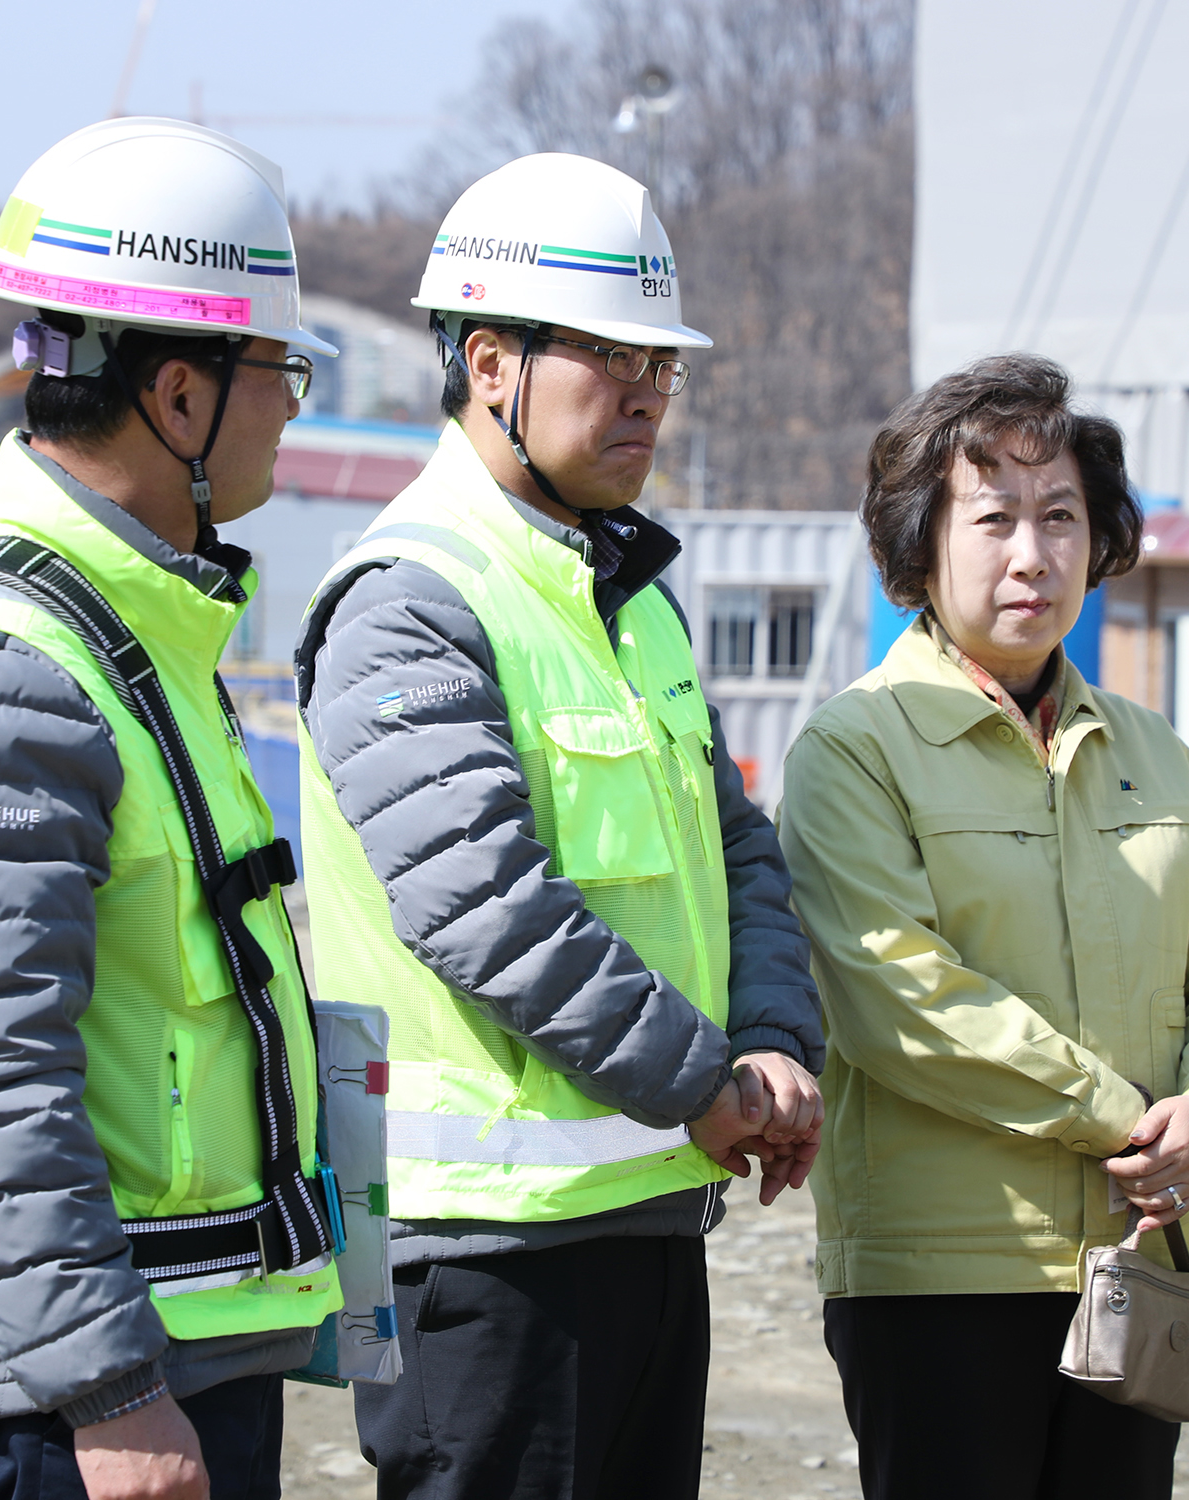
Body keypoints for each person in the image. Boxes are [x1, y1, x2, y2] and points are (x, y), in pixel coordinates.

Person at [0, 118, 345, 1500]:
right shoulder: (7, 672)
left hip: (159, 1365)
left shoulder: (126, 633)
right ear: (178, 395)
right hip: (70, 1411)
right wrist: (109, 1391)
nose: (291, 404)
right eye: (275, 370)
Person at [292, 152, 825, 1500]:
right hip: (468, 1263)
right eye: (605, 353)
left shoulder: (624, 597)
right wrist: (707, 1083)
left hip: (642, 1217)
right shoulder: (409, 599)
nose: (646, 389)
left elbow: (733, 848)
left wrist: (772, 1039)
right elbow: (484, 905)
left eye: (662, 361)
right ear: (489, 363)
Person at [778, 353, 1189, 1500]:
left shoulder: (1155, 753)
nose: (1033, 554)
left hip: (1130, 1259)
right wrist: (1128, 1120)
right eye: (994, 517)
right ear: (920, 545)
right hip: (939, 1276)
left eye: (1061, 517)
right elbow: (898, 997)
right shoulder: (857, 749)